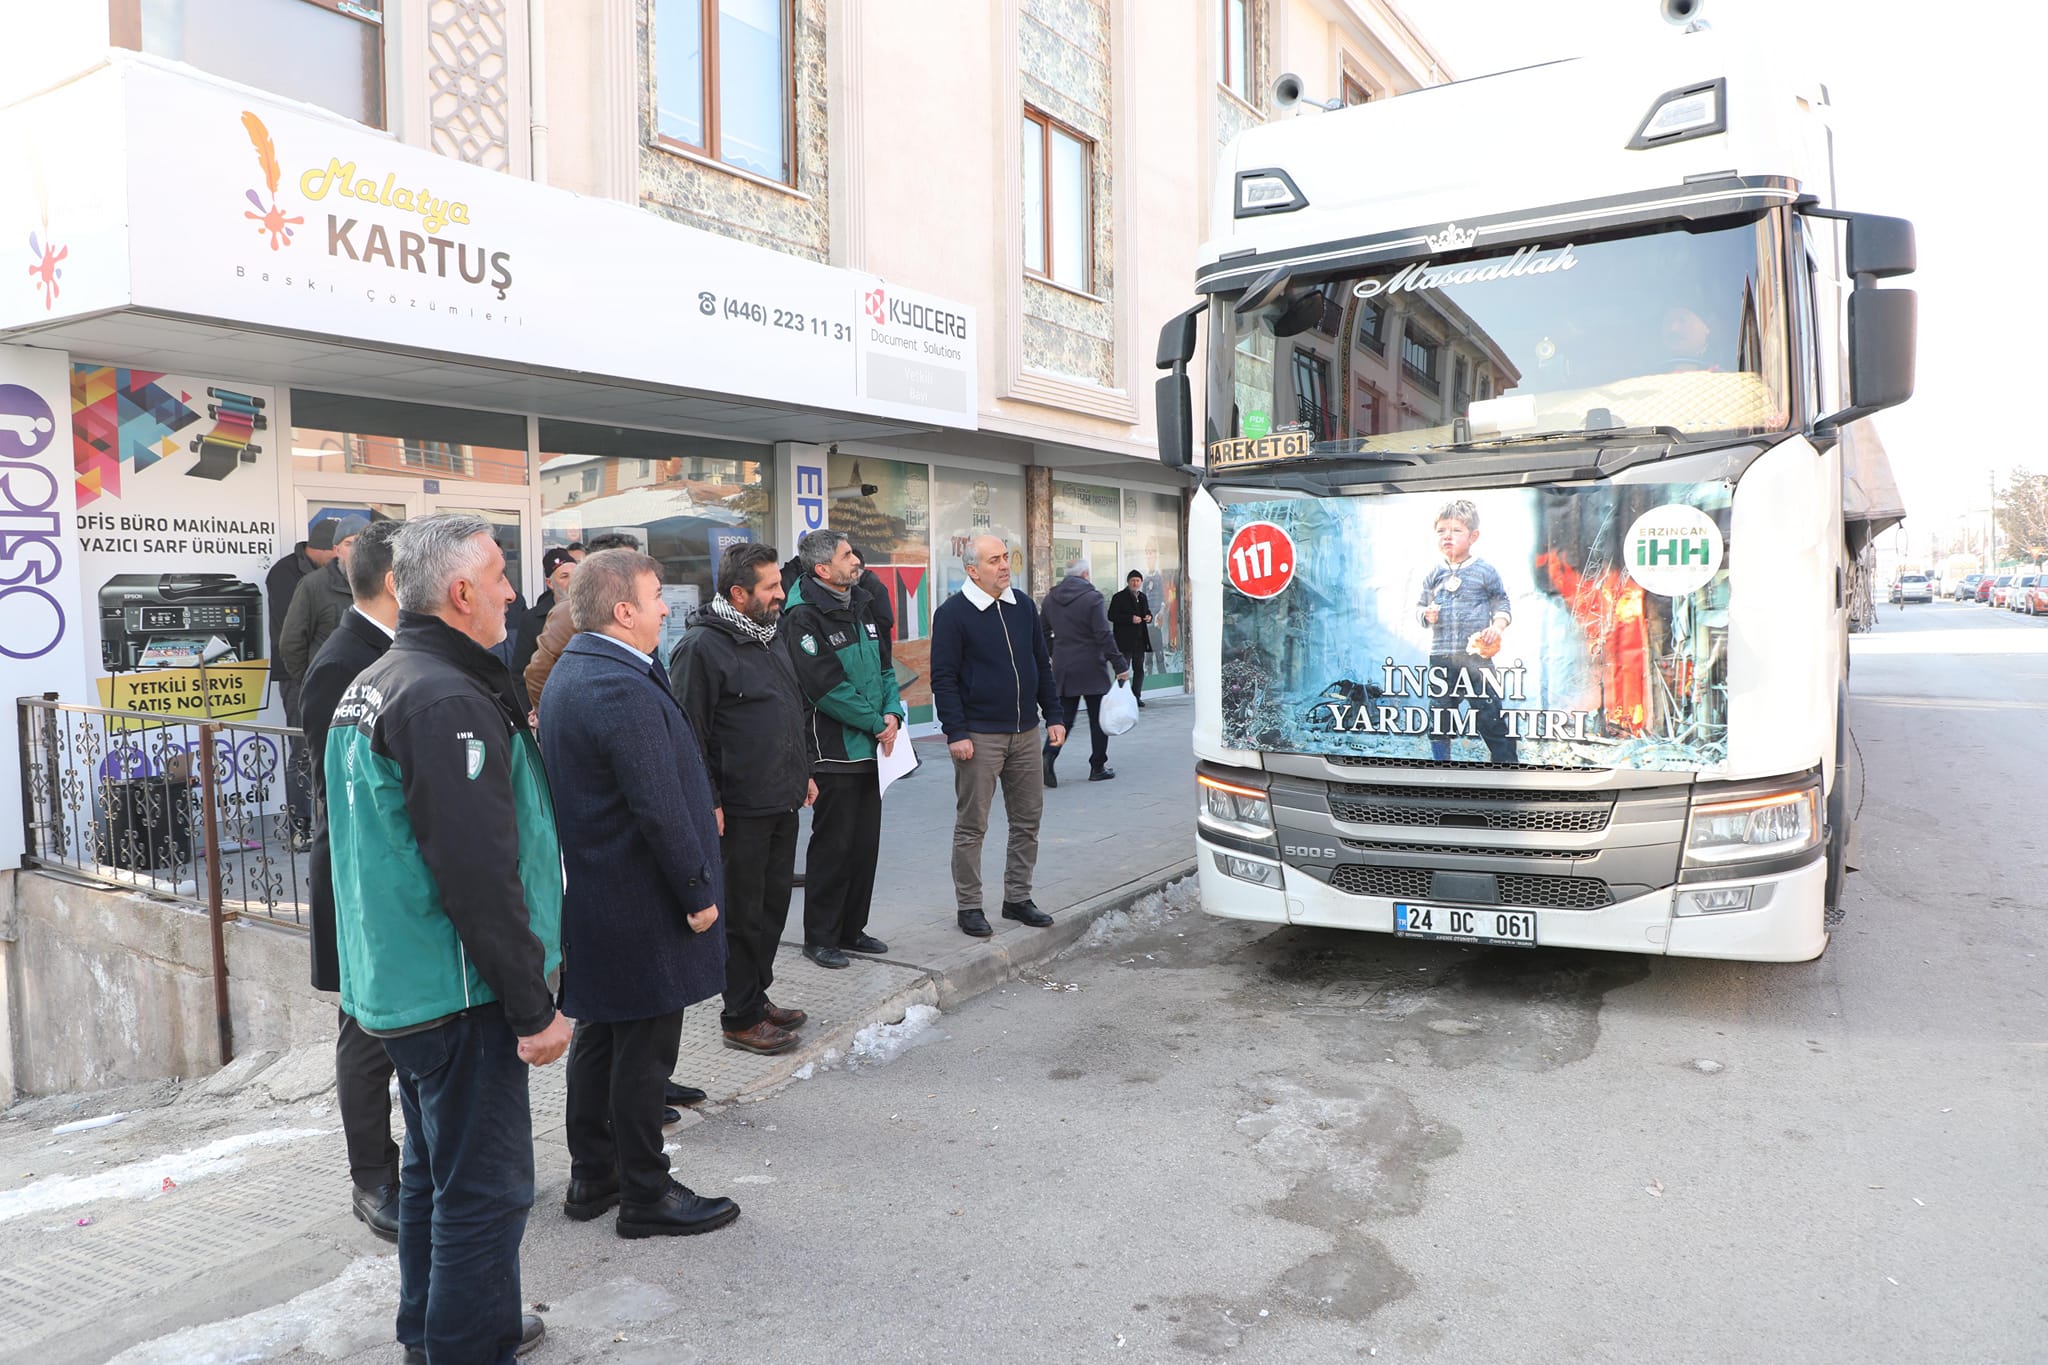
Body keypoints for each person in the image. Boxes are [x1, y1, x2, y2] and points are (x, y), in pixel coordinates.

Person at [326, 513, 568, 1365]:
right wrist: (534, 1003)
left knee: (433, 1175)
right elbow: (476, 873)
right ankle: (468, 1344)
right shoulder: (441, 694)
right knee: (487, 1190)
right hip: (455, 991)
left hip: (409, 985)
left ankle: (443, 1330)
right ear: (461, 591)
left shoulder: (387, 677)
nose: (514, 590)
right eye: (501, 574)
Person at [540, 549, 741, 1239]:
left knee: (603, 1034)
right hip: (641, 899)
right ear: (623, 610)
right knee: (645, 1053)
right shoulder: (614, 683)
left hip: (603, 896)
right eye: (656, 596)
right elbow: (657, 804)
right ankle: (646, 1193)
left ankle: (594, 1173)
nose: (664, 607)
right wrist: (696, 891)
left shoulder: (581, 667)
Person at [669, 540, 815, 1055]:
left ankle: (757, 994)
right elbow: (689, 734)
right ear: (739, 592)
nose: (782, 593)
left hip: (782, 796)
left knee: (773, 905)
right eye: (771, 586)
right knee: (743, 913)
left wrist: (805, 773)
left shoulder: (770, 634)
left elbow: (790, 710)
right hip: (739, 808)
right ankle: (739, 1016)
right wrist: (708, 801)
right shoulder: (702, 648)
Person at [299, 518, 402, 1243]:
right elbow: (342, 790)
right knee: (366, 1033)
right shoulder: (343, 662)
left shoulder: (392, 650)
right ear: (399, 580)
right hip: (365, 884)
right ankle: (372, 1178)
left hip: (392, 884)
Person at [929, 535, 1066, 939]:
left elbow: (1041, 664)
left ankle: (1017, 898)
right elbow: (943, 678)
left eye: (1006, 558)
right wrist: (955, 731)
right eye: (994, 560)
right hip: (979, 736)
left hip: (1026, 732)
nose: (1005, 565)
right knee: (973, 826)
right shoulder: (953, 614)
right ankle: (969, 905)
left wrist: (1053, 715)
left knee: (1028, 821)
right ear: (973, 570)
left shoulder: (1022, 605)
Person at [782, 529, 902, 970]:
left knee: (864, 845)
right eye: (847, 555)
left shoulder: (862, 603)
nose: (856, 560)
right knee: (833, 847)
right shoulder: (802, 618)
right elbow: (826, 687)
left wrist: (893, 715)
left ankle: (853, 929)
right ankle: (821, 936)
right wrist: (876, 723)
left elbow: (887, 667)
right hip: (834, 752)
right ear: (822, 569)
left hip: (874, 748)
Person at [1416, 498, 1517, 763]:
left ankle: (1507, 765)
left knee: (1489, 715)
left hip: (1477, 658)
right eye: (1441, 531)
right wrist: (1426, 615)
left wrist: (1497, 627)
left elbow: (1502, 602)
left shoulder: (1485, 571)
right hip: (1441, 657)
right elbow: (1419, 607)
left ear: (1473, 536)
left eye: (1456, 530)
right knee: (1439, 717)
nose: (1447, 536)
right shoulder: (1433, 574)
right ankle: (1441, 765)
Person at [266, 520, 339, 844]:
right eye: (337, 549)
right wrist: (305, 679)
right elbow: (293, 636)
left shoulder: (337, 576)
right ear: (322, 548)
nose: (340, 557)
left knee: (332, 750)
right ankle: (301, 827)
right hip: (299, 678)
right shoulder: (285, 574)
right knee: (302, 752)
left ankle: (329, 823)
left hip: (332, 678)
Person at [523, 531, 642, 708]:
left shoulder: (638, 605)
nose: (637, 570)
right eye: (628, 563)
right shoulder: (569, 610)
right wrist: (553, 717)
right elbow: (537, 675)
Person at [1039, 559, 1129, 785]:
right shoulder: (1092, 598)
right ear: (1086, 574)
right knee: (1098, 719)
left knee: (1065, 718)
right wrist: (1119, 665)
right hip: (1091, 666)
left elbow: (1042, 630)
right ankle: (1097, 767)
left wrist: (1054, 652)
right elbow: (1103, 634)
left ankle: (1049, 755)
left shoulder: (1051, 598)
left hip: (1064, 666)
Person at [280, 514, 367, 683]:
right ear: (336, 550)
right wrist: (310, 682)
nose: (356, 550)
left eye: (362, 543)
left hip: (372, 690)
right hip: (328, 690)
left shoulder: (384, 583)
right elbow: (291, 643)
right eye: (349, 543)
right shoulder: (313, 585)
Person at [511, 546, 575, 682]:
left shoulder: (595, 613)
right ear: (549, 583)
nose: (573, 582)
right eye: (564, 576)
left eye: (577, 575)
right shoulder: (531, 620)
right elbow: (520, 674)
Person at [1107, 570, 1155, 708]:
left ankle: (1136, 697)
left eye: (1138, 581)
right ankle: (1121, 698)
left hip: (1140, 641)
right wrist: (1129, 619)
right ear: (1128, 582)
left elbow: (1147, 611)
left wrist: (1148, 617)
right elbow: (1111, 615)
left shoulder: (1143, 597)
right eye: (1133, 580)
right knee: (1123, 670)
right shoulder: (1119, 597)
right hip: (1124, 641)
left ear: (1141, 582)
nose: (1135, 583)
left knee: (1139, 669)